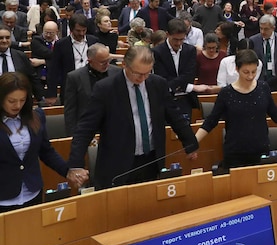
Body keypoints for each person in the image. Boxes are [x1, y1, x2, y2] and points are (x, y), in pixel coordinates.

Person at [67, 46, 200, 189]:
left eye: (147, 73)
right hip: (117, 163)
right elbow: (86, 127)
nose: (142, 78)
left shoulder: (158, 84)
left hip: (151, 160)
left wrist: (190, 144)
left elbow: (175, 116)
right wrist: (76, 164)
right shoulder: (105, 88)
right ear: (124, 64)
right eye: (137, 73)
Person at [195, 49, 277, 168]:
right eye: (246, 72)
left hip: (261, 150)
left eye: (254, 71)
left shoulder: (263, 87)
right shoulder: (226, 93)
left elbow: (276, 115)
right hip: (235, 154)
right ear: (237, 69)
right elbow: (211, 121)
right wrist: (194, 142)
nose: (250, 76)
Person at [0, 73, 75, 212]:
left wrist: (67, 171)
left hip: (32, 193)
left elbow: (46, 151)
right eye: (12, 101)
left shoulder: (36, 116)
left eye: (22, 100)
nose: (17, 105)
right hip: (3, 199)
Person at [62, 43, 122, 136]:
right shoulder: (74, 77)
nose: (107, 64)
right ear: (90, 61)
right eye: (102, 62)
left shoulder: (117, 72)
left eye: (108, 60)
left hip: (114, 127)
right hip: (87, 128)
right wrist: (72, 136)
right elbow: (70, 110)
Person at [153, 18, 208, 118]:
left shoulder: (190, 50)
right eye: (175, 39)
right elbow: (162, 78)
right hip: (165, 100)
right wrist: (188, 87)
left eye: (181, 39)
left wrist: (172, 85)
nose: (178, 43)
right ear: (167, 34)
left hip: (186, 100)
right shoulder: (157, 52)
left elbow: (189, 75)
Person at [0, 27, 43, 101]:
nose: (4, 41)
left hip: (18, 100)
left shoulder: (20, 56)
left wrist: (40, 99)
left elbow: (32, 78)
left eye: (7, 37)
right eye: (1, 38)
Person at [249, 14, 277, 82]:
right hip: (259, 80)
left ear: (273, 28)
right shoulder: (253, 40)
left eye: (266, 29)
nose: (263, 32)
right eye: (261, 28)